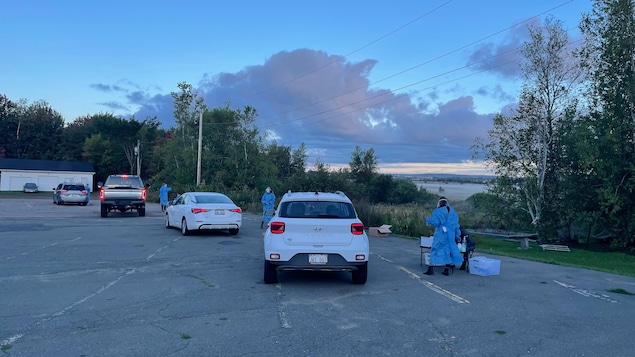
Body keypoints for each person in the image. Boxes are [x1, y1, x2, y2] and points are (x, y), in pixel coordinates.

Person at [424, 196, 463, 276]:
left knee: (434, 250)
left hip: (440, 235)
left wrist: (428, 220)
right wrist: (457, 236)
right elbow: (456, 226)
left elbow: (436, 223)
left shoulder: (437, 211)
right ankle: (446, 269)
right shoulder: (453, 212)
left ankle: (431, 268)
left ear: (439, 203)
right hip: (450, 235)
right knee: (447, 252)